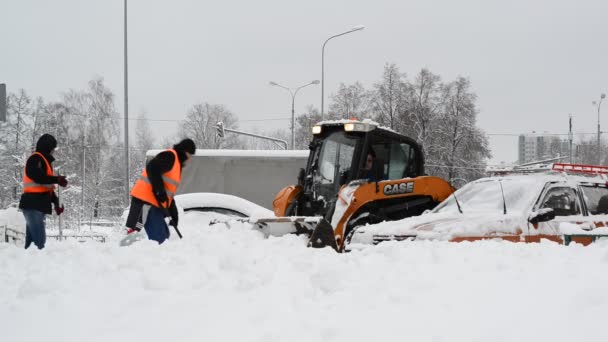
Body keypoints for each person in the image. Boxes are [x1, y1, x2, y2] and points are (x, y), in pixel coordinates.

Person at [125, 138, 196, 244]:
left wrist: (173, 213)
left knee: (165, 235)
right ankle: (125, 251)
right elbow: (152, 167)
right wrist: (159, 190)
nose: (189, 159)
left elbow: (168, 193)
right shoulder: (170, 156)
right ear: (185, 151)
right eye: (190, 155)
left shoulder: (177, 165)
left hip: (154, 203)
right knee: (159, 239)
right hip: (145, 201)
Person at [19, 134, 68, 249]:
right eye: (52, 149)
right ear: (47, 147)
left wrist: (56, 204)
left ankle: (27, 265)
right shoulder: (35, 158)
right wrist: (57, 179)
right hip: (32, 206)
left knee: (32, 245)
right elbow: (38, 177)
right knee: (39, 243)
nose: (53, 152)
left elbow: (47, 187)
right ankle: (38, 266)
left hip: (39, 206)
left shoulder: (46, 163)